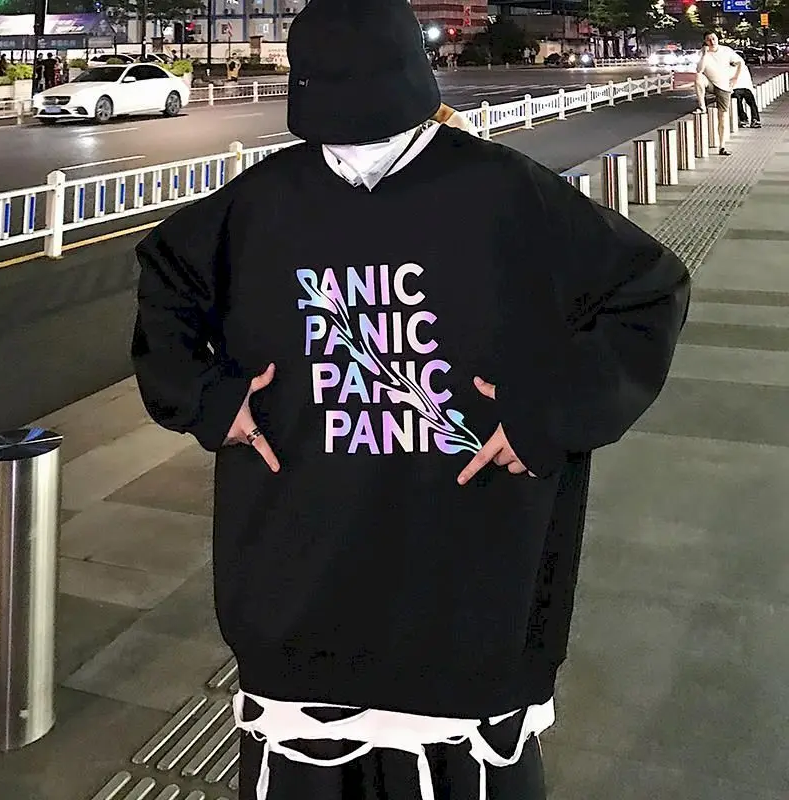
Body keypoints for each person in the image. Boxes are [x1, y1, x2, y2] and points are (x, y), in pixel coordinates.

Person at [132, 0, 690, 798]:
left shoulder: (504, 193)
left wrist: (547, 414)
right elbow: (166, 283)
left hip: (470, 592)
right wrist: (209, 400)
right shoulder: (262, 204)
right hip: (301, 589)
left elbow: (649, 290)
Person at [695, 31, 743, 156]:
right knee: (698, 77)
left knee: (722, 117)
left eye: (713, 38)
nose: (712, 41)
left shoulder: (726, 50)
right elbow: (699, 70)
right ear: (705, 41)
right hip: (709, 83)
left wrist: (735, 78)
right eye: (708, 39)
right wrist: (705, 54)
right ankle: (702, 106)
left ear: (717, 39)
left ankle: (722, 146)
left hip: (723, 86)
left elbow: (740, 62)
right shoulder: (702, 52)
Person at [732, 60, 761, 128]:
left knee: (738, 104)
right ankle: (755, 119)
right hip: (747, 88)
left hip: (736, 88)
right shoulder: (745, 67)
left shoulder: (729, 67)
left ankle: (743, 119)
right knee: (752, 104)